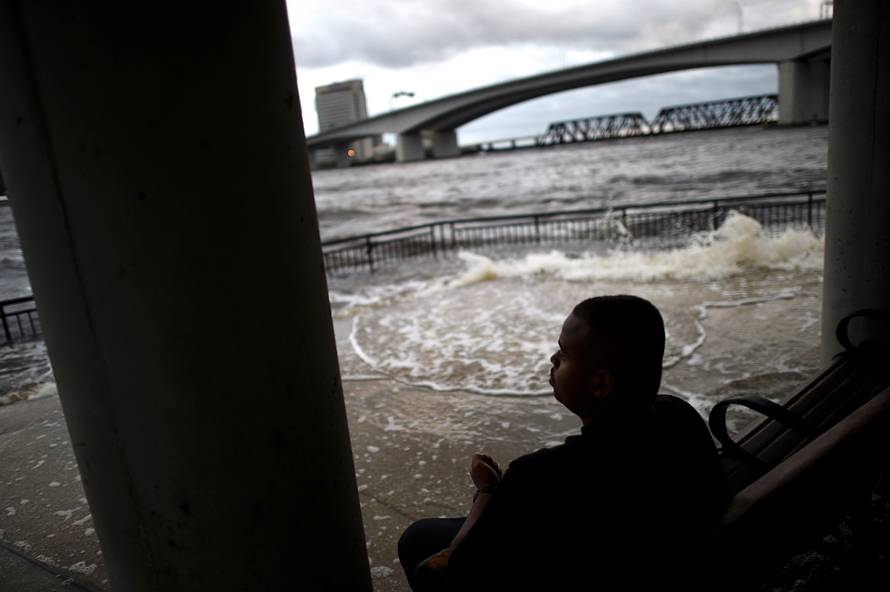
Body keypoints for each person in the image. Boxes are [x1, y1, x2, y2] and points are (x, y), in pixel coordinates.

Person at [397, 295, 729, 591]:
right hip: (663, 560)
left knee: (416, 539)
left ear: (601, 384)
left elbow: (457, 569)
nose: (553, 359)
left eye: (565, 354)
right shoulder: (679, 416)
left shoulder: (540, 476)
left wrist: (487, 492)